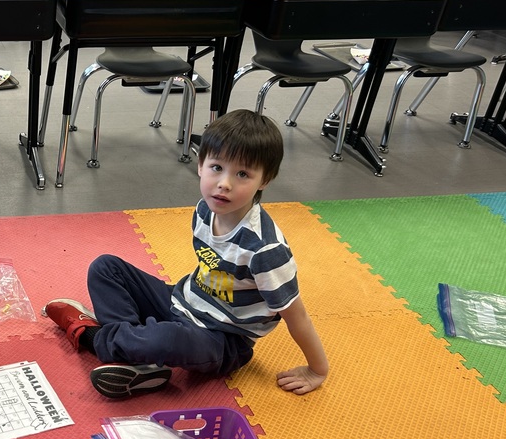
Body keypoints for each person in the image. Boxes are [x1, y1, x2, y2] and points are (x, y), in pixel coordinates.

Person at [44, 109, 328, 399]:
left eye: (243, 174)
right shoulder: (205, 209)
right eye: (217, 167)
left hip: (222, 339)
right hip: (180, 301)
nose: (225, 183)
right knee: (105, 267)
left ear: (264, 180)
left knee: (165, 337)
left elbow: (297, 316)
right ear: (200, 165)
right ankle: (134, 355)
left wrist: (318, 369)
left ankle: (90, 335)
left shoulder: (265, 250)